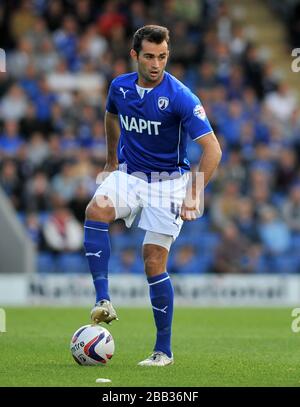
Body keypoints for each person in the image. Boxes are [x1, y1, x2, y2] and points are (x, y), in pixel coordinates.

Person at [83, 25, 222, 366]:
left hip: (168, 183)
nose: (156, 64)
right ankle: (103, 300)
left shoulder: (181, 96)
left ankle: (163, 351)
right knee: (95, 210)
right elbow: (111, 116)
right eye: (149, 56)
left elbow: (213, 150)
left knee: (153, 261)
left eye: (162, 56)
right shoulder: (120, 87)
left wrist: (194, 194)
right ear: (135, 55)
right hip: (130, 175)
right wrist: (112, 159)